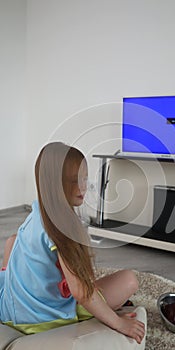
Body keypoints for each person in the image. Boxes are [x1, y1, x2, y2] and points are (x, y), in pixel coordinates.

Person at [0, 142, 145, 344]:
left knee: (13, 241)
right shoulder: (64, 226)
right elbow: (81, 292)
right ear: (53, 184)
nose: (83, 187)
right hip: (40, 319)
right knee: (129, 280)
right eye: (73, 181)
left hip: (9, 307)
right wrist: (118, 323)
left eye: (85, 179)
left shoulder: (37, 211)